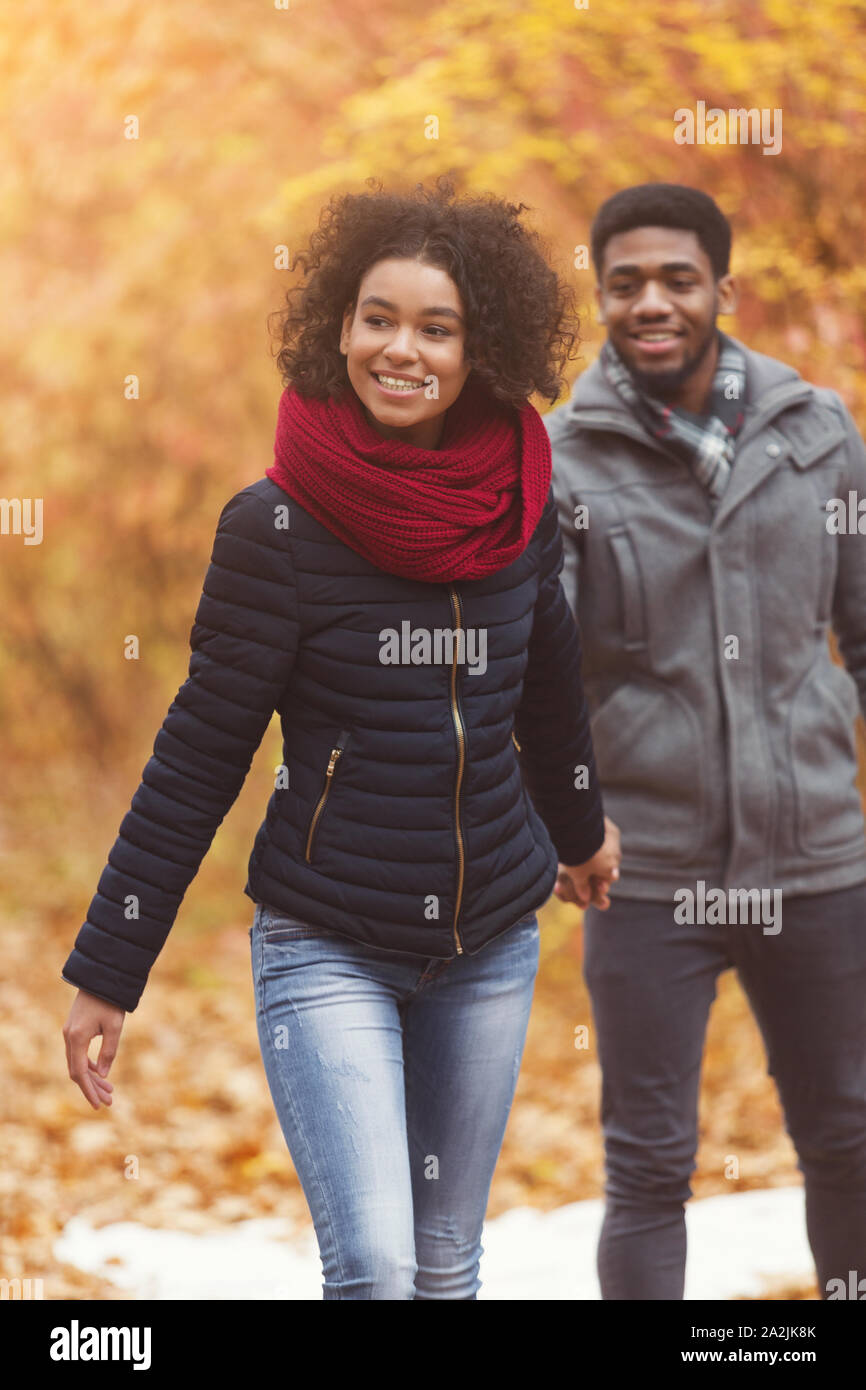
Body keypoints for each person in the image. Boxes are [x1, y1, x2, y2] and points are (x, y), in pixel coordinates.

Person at [61, 176, 620, 1300]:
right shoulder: (275, 527)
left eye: (434, 326)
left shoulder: (519, 506)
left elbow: (547, 691)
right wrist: (110, 967)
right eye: (376, 317)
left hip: (490, 942)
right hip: (328, 937)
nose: (398, 349)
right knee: (373, 1263)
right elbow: (200, 750)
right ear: (337, 324)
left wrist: (580, 828)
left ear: (481, 349)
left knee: (446, 1266)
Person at [548, 181, 866, 1300]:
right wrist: (561, 820)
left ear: (720, 289)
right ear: (599, 296)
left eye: (676, 278)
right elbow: (536, 680)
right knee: (645, 1169)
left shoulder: (818, 435)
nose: (651, 300)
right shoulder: (561, 463)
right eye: (624, 281)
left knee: (846, 1139)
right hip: (645, 872)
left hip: (815, 858)